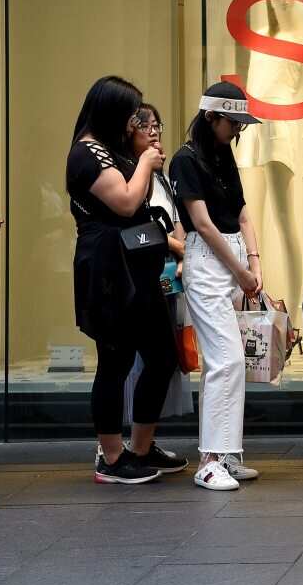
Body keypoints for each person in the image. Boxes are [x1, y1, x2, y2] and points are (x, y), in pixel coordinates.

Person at [66, 76, 187, 486]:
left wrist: (144, 163)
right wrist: (147, 164)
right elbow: (125, 201)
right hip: (108, 268)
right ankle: (111, 456)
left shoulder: (109, 149)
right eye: (132, 114)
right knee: (115, 361)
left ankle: (140, 446)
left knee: (161, 356)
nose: (138, 122)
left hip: (135, 264)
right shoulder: (86, 152)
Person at [170, 82, 264, 491]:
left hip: (231, 257)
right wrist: (243, 271)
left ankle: (225, 453)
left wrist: (254, 263)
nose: (236, 130)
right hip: (209, 261)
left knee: (228, 362)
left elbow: (241, 212)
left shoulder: (222, 153)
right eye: (232, 122)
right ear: (211, 116)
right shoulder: (185, 161)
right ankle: (209, 459)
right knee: (226, 360)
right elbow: (203, 225)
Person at [121, 103, 193, 446]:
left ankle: (144, 443)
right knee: (139, 362)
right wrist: (177, 248)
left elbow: (173, 218)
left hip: (165, 276)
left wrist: (182, 250)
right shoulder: (127, 173)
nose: (153, 131)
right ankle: (122, 446)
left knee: (164, 359)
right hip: (136, 278)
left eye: (156, 125)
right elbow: (133, 227)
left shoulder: (159, 171)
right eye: (144, 125)